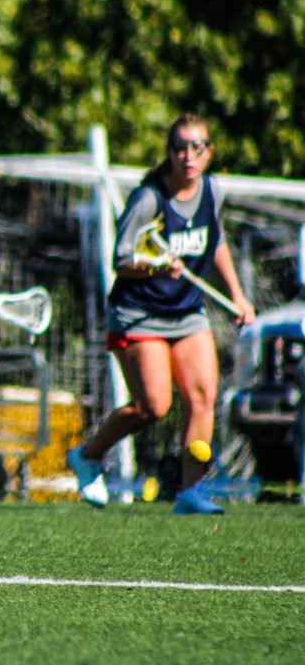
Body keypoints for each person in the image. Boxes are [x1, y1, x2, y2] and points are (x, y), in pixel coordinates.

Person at [66, 113, 255, 514]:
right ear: (169, 153)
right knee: (154, 406)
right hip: (139, 313)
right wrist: (154, 266)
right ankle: (88, 455)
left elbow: (215, 240)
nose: (189, 156)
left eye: (197, 147)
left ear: (209, 153)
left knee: (202, 396)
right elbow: (120, 260)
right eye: (180, 148)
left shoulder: (212, 192)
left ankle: (190, 491)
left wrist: (238, 294)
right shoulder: (149, 198)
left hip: (186, 312)